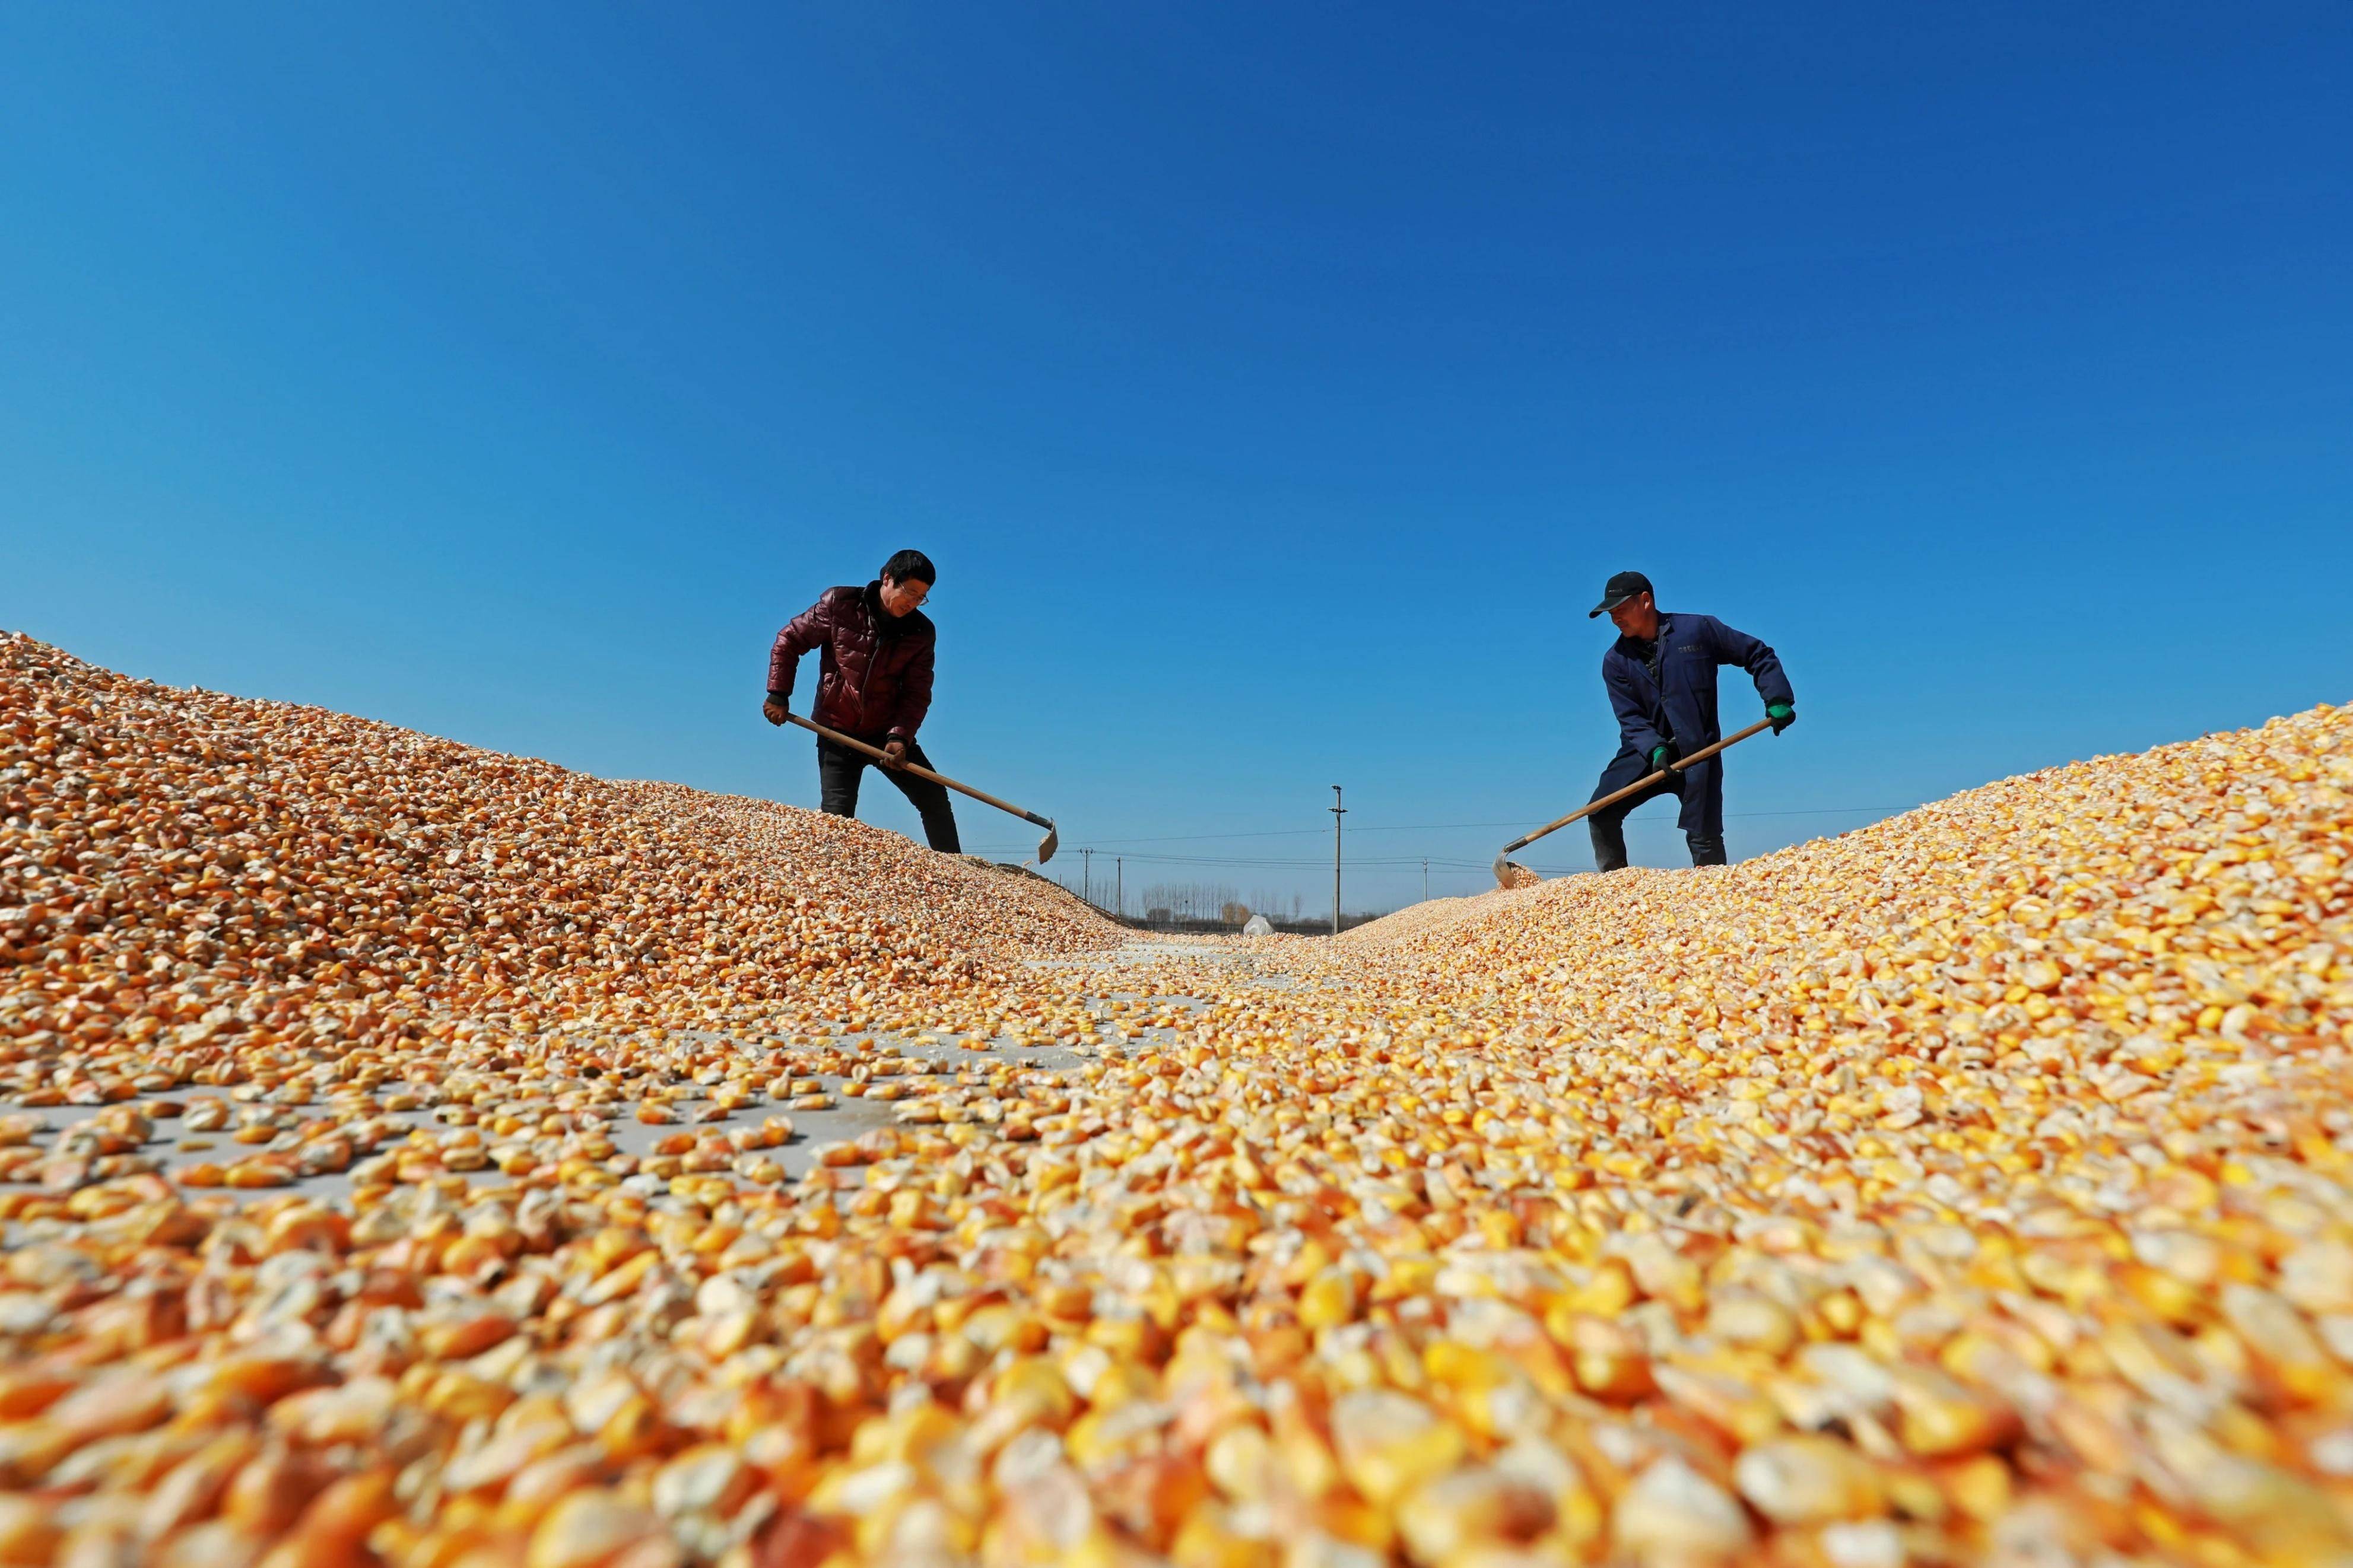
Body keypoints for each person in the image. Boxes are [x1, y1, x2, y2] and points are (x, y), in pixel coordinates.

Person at [1585, 570, 1794, 872]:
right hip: (1643, 753)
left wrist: (1776, 698)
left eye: (1620, 610)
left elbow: (1757, 654)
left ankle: (1710, 895)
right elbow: (1630, 717)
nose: (1615, 618)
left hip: (1699, 749)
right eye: (1611, 613)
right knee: (1602, 810)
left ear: (1645, 601)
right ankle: (1615, 886)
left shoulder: (1697, 631)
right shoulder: (1615, 660)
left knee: (1704, 835)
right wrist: (1655, 749)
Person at [764, 549, 961, 853]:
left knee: (934, 798)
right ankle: (835, 874)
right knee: (838, 816)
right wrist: (779, 693)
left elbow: (917, 692)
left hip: (886, 733)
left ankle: (957, 871)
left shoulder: (921, 632)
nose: (912, 602)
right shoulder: (840, 605)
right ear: (887, 579)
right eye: (909, 592)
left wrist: (900, 737)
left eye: (921, 597)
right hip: (837, 730)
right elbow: (789, 640)